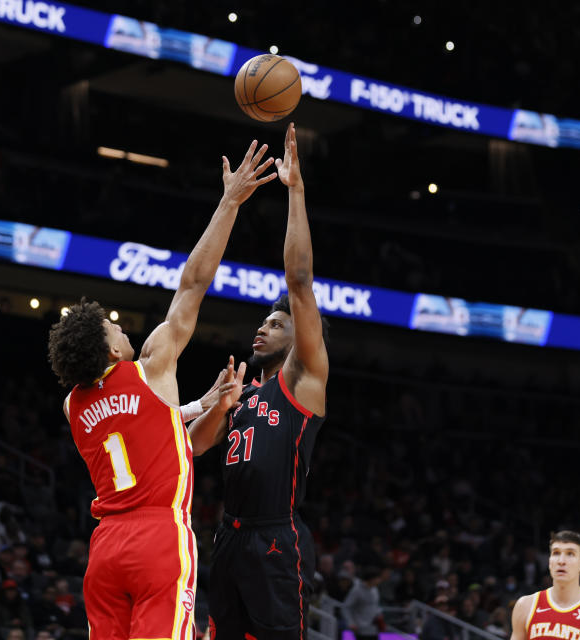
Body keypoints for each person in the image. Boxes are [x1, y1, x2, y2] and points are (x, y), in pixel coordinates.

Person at [48, 139, 277, 640]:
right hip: (157, 536)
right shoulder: (151, 364)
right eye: (114, 329)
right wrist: (229, 202)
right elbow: (193, 283)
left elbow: (167, 443)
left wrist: (207, 407)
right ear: (111, 354)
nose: (123, 328)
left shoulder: (73, 404)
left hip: (105, 548)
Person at [188, 123, 329, 640]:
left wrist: (295, 192)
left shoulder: (304, 379)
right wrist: (216, 410)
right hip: (230, 534)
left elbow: (299, 281)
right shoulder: (240, 390)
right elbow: (196, 447)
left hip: (275, 536)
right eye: (263, 322)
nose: (262, 327)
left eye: (276, 323)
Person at [510, 531, 580, 640]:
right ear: (549, 562)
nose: (561, 561)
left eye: (570, 554)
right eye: (556, 553)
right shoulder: (525, 606)